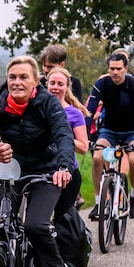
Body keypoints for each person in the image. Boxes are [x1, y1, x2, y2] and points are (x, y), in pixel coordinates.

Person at [0, 55, 77, 267]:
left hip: (46, 170)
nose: (17, 82)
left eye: (23, 77)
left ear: (36, 81)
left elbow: (62, 134)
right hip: (10, 170)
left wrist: (62, 166)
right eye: (13, 77)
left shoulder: (47, 103)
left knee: (35, 226)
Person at [86, 52, 134, 220]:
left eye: (118, 69)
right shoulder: (102, 83)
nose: (115, 72)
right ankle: (99, 203)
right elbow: (90, 110)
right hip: (110, 130)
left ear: (125, 69)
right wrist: (85, 135)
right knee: (98, 158)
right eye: (112, 69)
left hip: (133, 131)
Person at [45, 66, 89, 215]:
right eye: (52, 83)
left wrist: (61, 136)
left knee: (61, 219)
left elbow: (83, 147)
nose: (55, 87)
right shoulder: (37, 108)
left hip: (66, 172)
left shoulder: (74, 113)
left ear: (67, 87)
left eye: (60, 84)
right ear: (47, 84)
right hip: (40, 169)